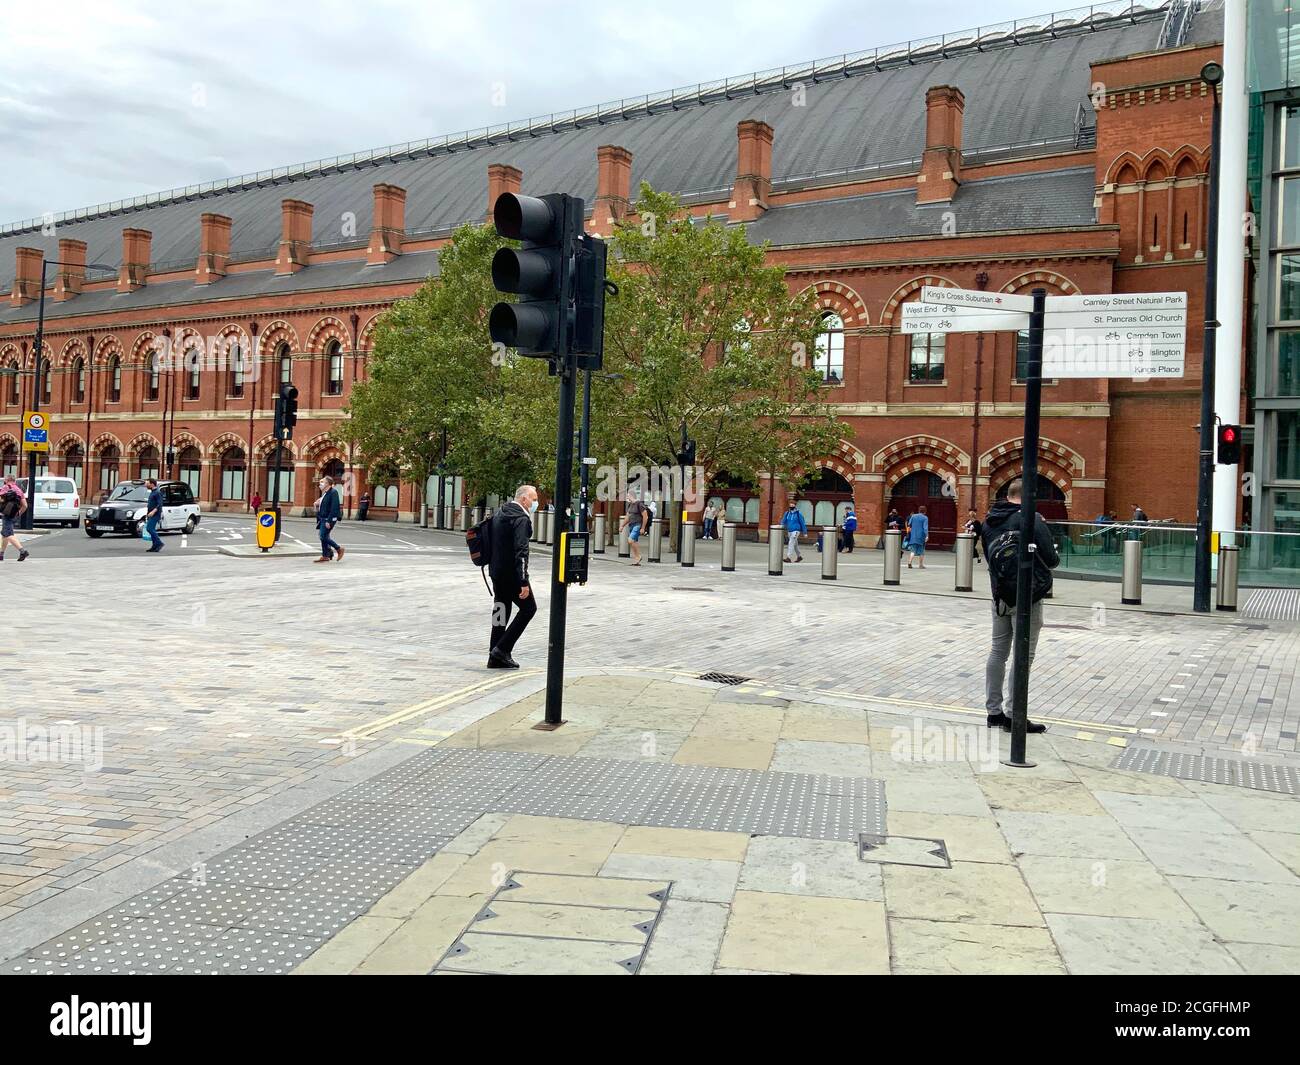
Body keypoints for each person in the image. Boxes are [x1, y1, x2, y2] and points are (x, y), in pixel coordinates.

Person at [980, 476, 1059, 734]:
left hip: (999, 596)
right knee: (1024, 655)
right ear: (1027, 496)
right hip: (1028, 597)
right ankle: (1016, 715)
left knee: (997, 652)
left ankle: (994, 713)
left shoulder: (990, 520)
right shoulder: (1030, 518)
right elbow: (1052, 558)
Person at [488, 484, 538, 669]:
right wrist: (523, 581)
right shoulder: (520, 519)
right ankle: (501, 649)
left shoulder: (501, 512)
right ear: (524, 499)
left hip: (496, 572)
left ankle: (493, 655)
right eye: (533, 499)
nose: (535, 503)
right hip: (512, 576)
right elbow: (521, 551)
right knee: (529, 609)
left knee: (501, 608)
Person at [314, 475, 344, 563]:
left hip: (328, 519)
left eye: (322, 482)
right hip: (323, 518)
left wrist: (329, 521)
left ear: (328, 483)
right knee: (323, 536)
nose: (321, 483)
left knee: (323, 536)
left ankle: (339, 549)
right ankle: (325, 556)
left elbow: (334, 508)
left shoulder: (333, 492)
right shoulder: (326, 493)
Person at [0, 475, 29, 562]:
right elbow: (25, 505)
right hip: (14, 515)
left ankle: (22, 551)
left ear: (7, 480)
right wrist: (18, 514)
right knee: (5, 534)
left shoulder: (5, 488)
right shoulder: (19, 490)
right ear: (14, 480)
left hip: (6, 514)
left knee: (8, 534)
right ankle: (1, 554)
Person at [620, 491, 649, 566]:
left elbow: (645, 516)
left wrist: (643, 528)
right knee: (634, 542)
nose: (627, 497)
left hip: (638, 525)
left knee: (630, 540)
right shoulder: (630, 505)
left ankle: (638, 556)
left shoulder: (639, 504)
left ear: (632, 496)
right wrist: (622, 526)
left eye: (628, 496)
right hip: (631, 525)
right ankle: (637, 559)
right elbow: (627, 517)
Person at [143, 478, 164, 552]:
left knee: (149, 528)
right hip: (150, 514)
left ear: (152, 484)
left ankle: (159, 543)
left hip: (155, 514)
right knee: (151, 529)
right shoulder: (152, 492)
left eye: (147, 483)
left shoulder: (157, 492)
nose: (145, 485)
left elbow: (160, 504)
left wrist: (153, 512)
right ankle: (154, 545)